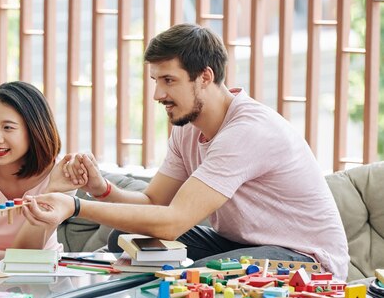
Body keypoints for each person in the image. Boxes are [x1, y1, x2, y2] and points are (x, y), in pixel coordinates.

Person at [22, 23, 350, 280]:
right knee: (127, 237)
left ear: (204, 76)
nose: (157, 94)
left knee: (204, 274)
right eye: (154, 80)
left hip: (307, 261)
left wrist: (75, 206)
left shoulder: (247, 131)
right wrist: (101, 190)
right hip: (245, 247)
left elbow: (172, 223)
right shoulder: (187, 128)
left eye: (168, 80)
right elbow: (155, 204)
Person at [0, 81, 84, 257]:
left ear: (34, 130)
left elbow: (27, 255)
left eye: (8, 128)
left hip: (40, 273)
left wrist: (52, 190)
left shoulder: (60, 176)